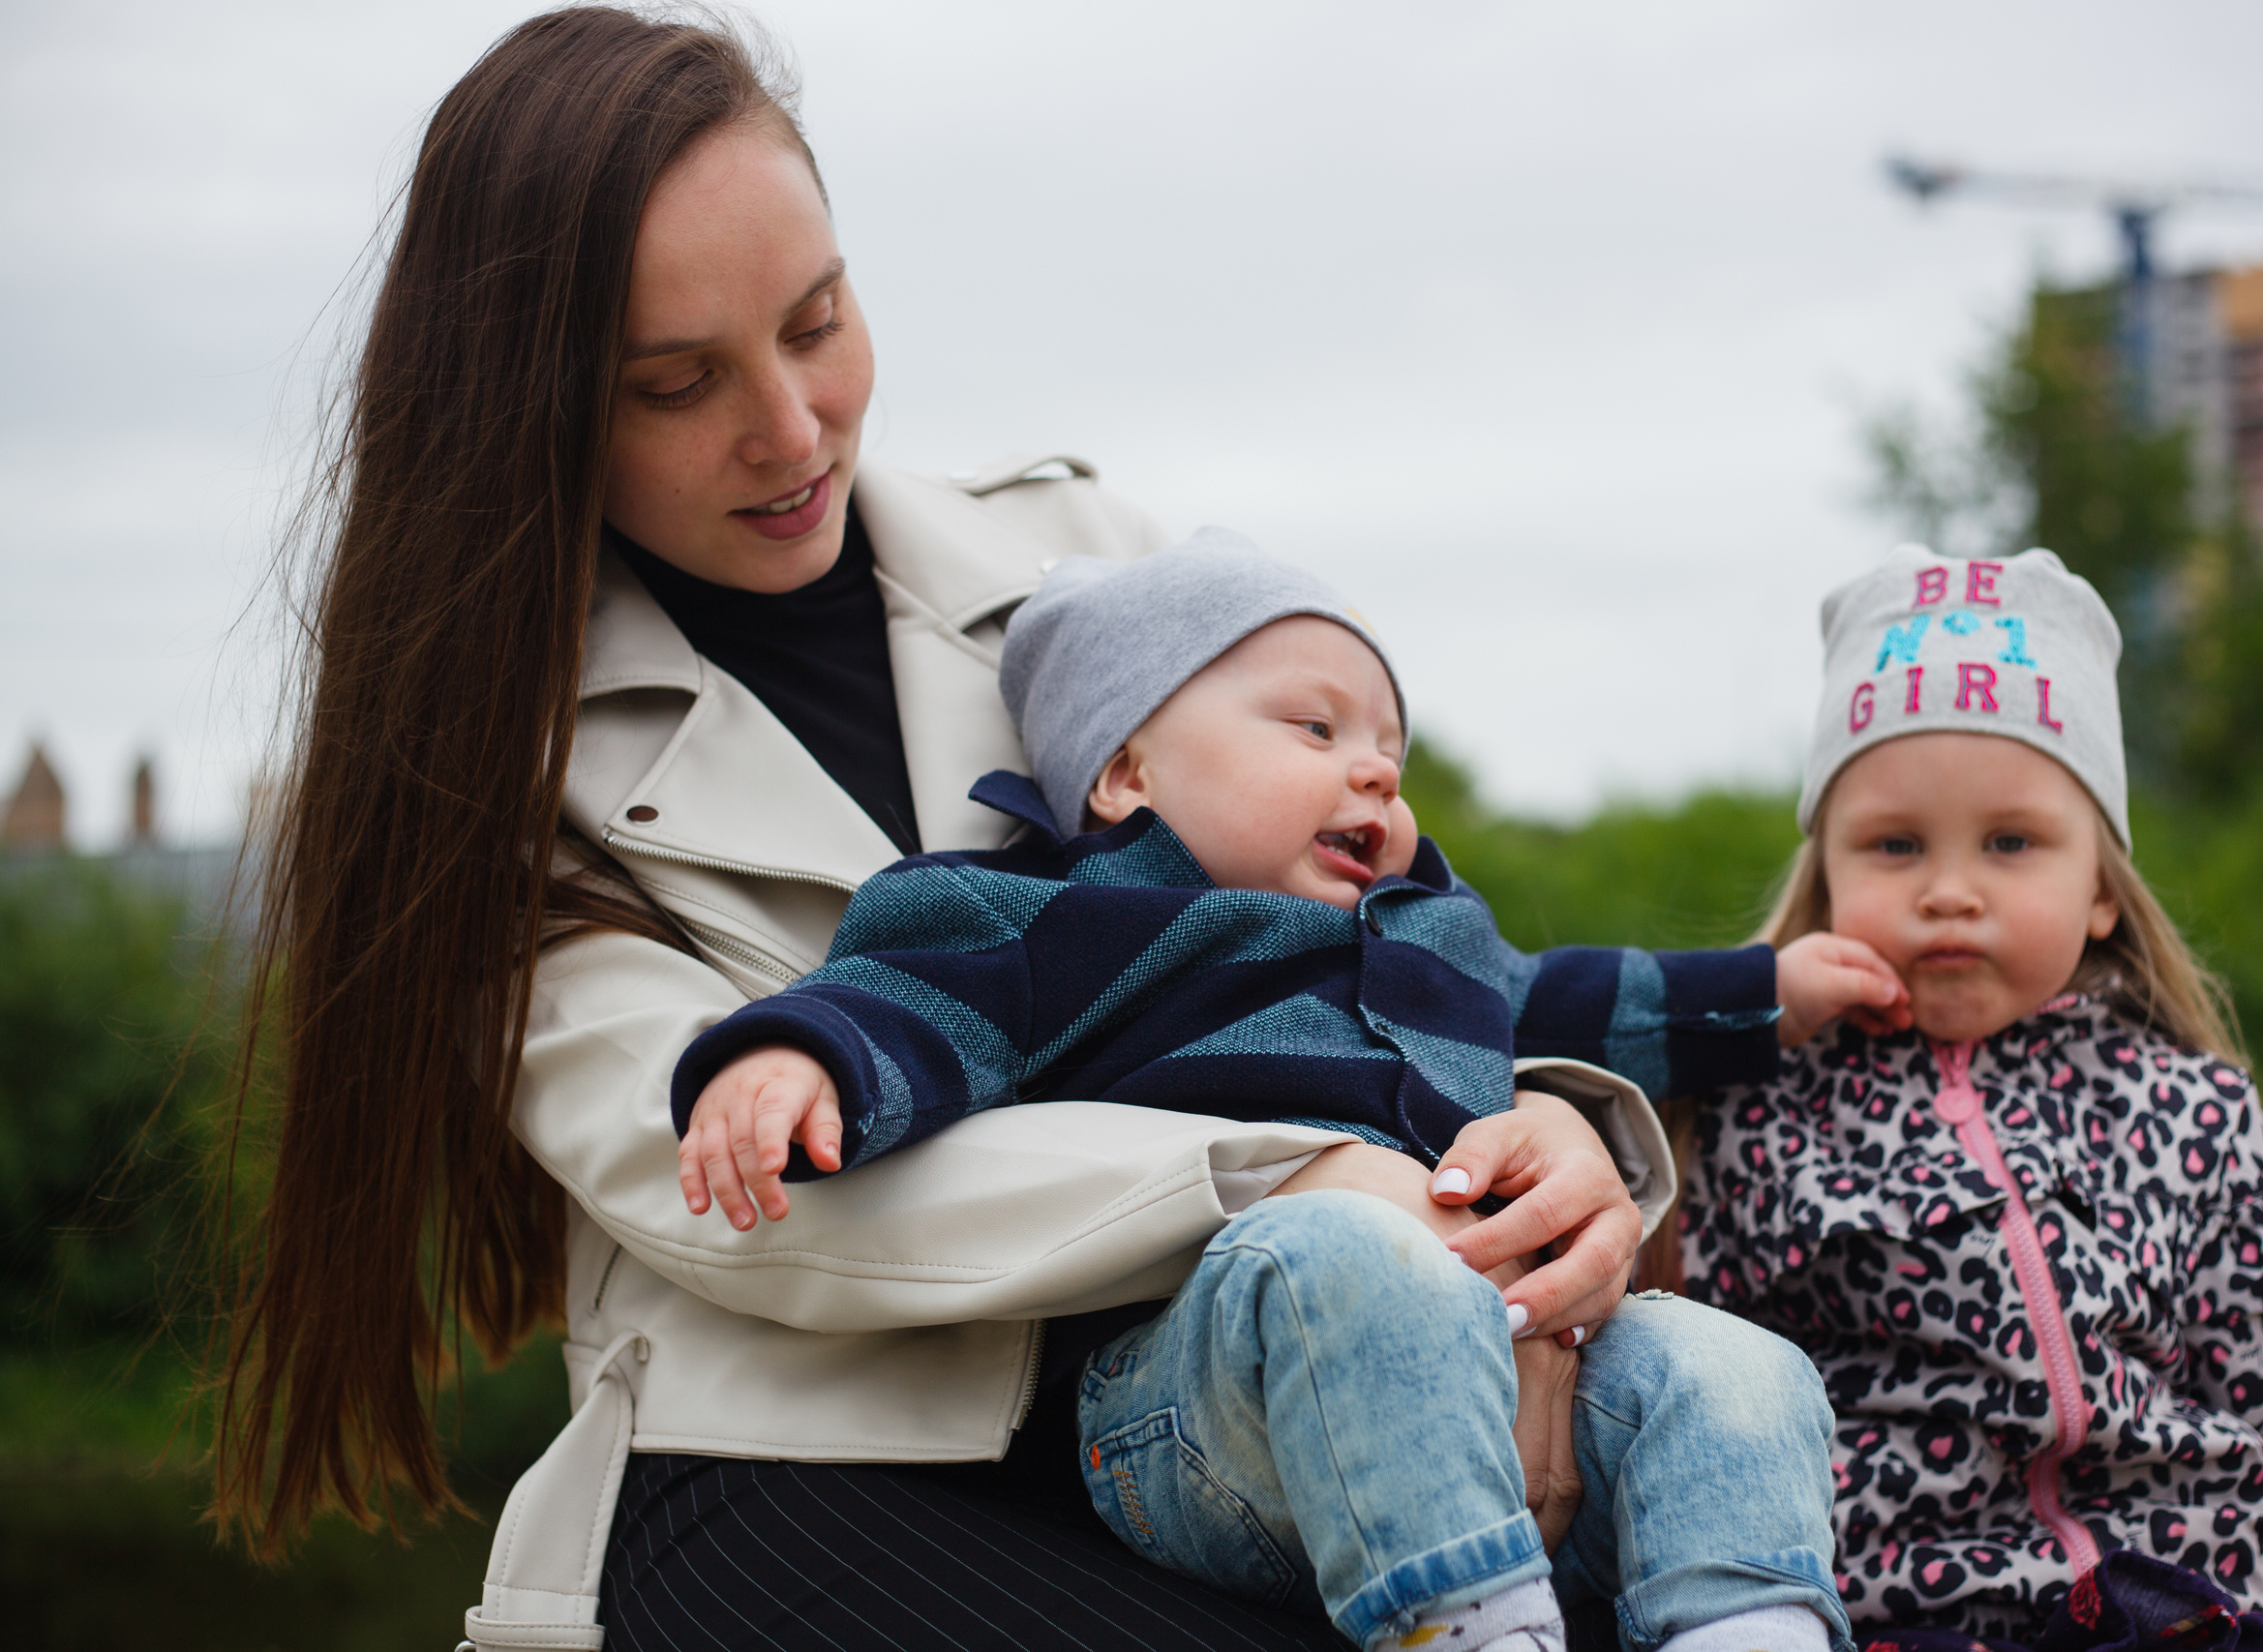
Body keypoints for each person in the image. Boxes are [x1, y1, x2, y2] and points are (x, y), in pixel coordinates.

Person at [207, 11, 1829, 1651]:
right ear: (531, 413)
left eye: (817, 321)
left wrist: (1543, 1156)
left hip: (1237, 1363)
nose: (790, 426)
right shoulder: (495, 785)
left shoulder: (1093, 569)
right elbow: (755, 1207)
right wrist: (1309, 1175)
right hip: (803, 1448)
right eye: (676, 383)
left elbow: (1372, 941)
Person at [671, 535, 1891, 1651]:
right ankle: (1472, 1632)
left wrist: (1758, 995)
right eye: (1314, 730)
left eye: (1390, 754)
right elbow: (918, 994)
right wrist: (797, 1056)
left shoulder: (1434, 940)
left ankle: (1745, 1628)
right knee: (1346, 1253)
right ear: (1126, 771)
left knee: (1729, 1365)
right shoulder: (1070, 917)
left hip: (1491, 1377)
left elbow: (1571, 1001)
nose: (1373, 771)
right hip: (1198, 1404)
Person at [1671, 547, 2263, 1650]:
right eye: (1894, 845)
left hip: (2187, 1601)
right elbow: (1702, 1405)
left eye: (2010, 843)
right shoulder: (1759, 1113)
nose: (1950, 889)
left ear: (2101, 889)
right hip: (1896, 1612)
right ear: (1825, 874)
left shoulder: (2189, 1111)